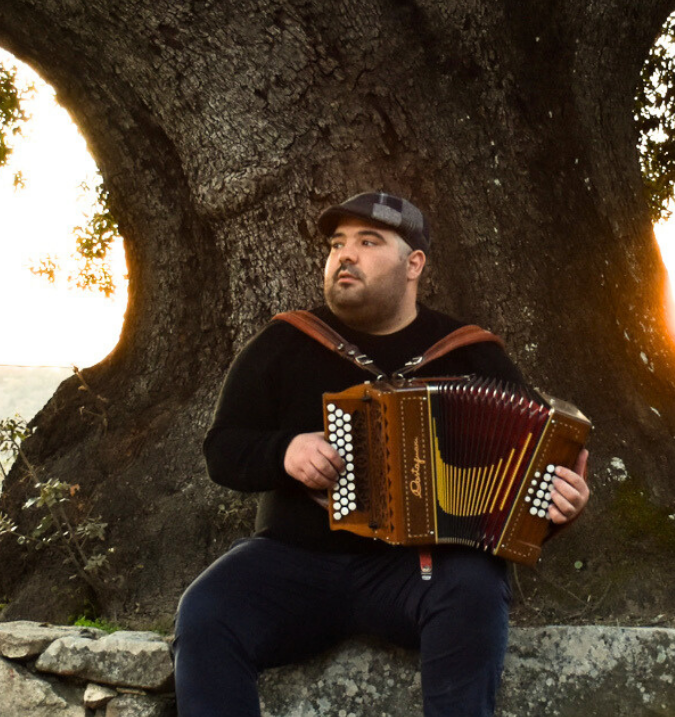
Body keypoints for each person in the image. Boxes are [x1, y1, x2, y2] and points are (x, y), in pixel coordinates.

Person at [175, 191, 592, 717]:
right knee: (207, 611)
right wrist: (285, 450)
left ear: (413, 263)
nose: (344, 255)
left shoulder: (469, 350)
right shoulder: (286, 341)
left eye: (368, 242)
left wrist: (562, 502)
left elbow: (538, 466)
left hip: (418, 573)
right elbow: (223, 448)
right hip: (298, 563)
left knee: (475, 587)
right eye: (337, 244)